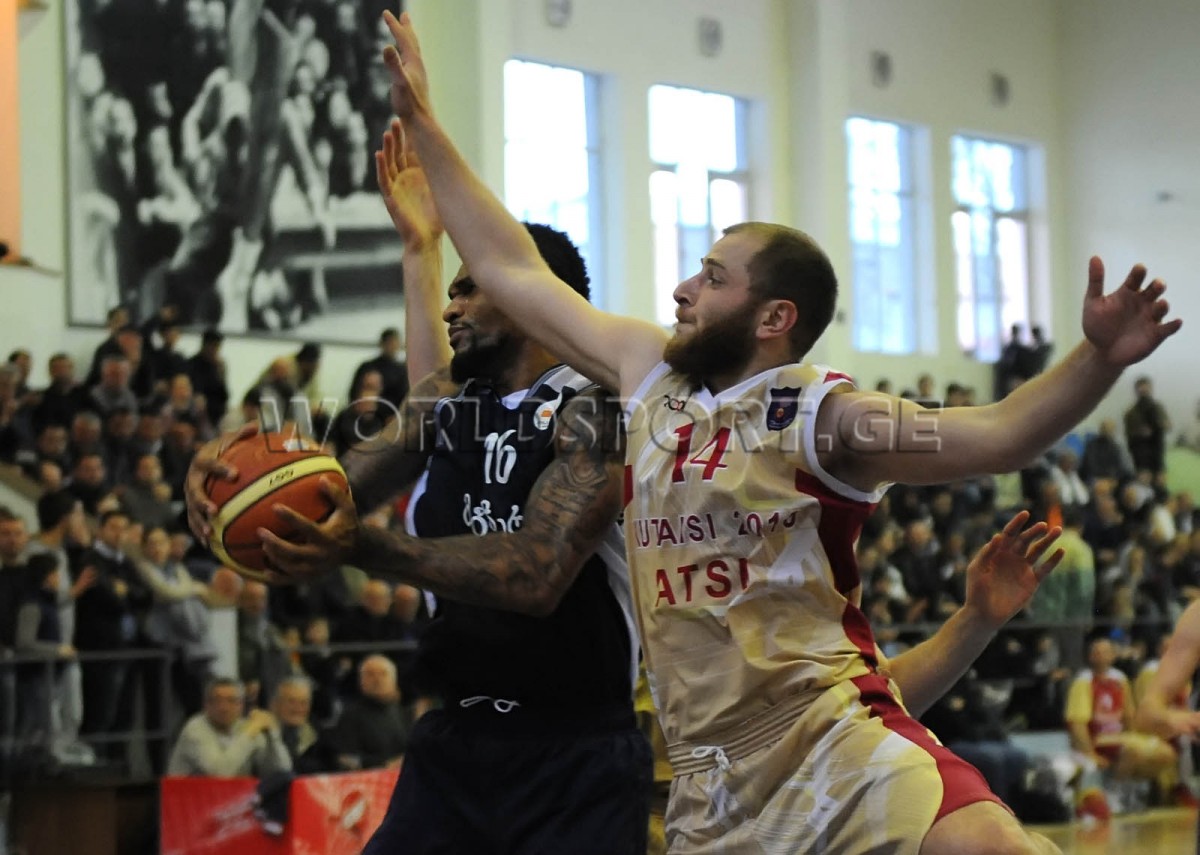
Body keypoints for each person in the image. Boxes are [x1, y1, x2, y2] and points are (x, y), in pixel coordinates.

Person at [371, 11, 1182, 853]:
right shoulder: (648, 373)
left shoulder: (825, 415)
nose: (683, 289)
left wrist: (1097, 357)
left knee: (993, 847)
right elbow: (509, 266)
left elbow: (1001, 431)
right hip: (710, 776)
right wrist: (424, 121)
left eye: (712, 277)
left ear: (773, 317)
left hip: (832, 736)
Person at [186, 123, 651, 854]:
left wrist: (363, 547)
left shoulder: (598, 408)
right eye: (451, 291)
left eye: (471, 289)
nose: (450, 308)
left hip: (574, 752)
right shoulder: (447, 400)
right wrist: (225, 483)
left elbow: (536, 575)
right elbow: (329, 495)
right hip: (454, 741)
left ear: (529, 295)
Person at [166, 677, 292, 777]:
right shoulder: (195, 728)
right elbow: (220, 773)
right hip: (189, 798)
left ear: (241, 705)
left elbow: (282, 771)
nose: (224, 707)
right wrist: (249, 734)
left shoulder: (245, 726)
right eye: (217, 700)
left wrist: (273, 735)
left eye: (231, 701)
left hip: (233, 798)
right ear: (206, 705)